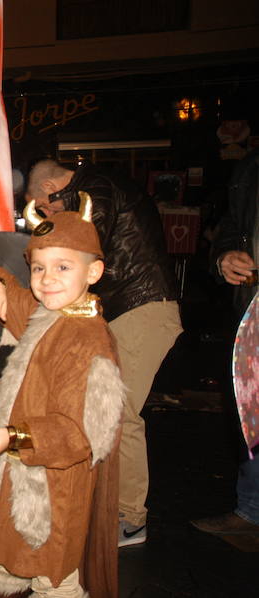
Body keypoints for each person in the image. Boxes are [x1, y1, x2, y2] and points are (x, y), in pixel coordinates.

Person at [0, 199, 125, 598]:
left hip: (53, 491)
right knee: (17, 558)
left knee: (54, 579)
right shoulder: (48, 312)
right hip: (21, 477)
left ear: (94, 272)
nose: (47, 279)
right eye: (39, 267)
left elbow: (78, 434)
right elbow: (2, 288)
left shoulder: (88, 340)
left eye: (63, 267)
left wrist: (12, 437)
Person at [26, 159, 181, 547]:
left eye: (43, 205)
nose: (47, 214)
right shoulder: (97, 184)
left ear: (49, 186)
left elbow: (86, 238)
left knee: (120, 413)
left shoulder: (93, 187)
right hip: (129, 308)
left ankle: (130, 518)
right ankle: (111, 507)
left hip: (142, 307)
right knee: (103, 408)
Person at [191, 147, 259, 536]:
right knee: (252, 410)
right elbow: (232, 226)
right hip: (254, 305)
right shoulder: (251, 165)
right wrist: (225, 256)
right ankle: (251, 510)